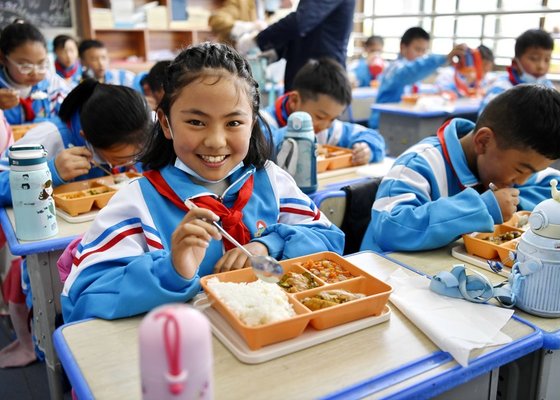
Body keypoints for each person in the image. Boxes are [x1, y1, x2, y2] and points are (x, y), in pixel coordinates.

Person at [61, 43, 344, 323]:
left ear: (253, 123)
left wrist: (269, 245)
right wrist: (172, 270)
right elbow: (83, 297)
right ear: (165, 123)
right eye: (196, 122)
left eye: (233, 123)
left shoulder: (271, 180)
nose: (215, 141)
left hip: (272, 345)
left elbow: (330, 240)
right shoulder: (138, 203)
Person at [0, 79, 150, 368]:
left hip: (116, 238)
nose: (131, 163)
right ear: (86, 138)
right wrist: (51, 171)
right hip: (55, 245)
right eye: (120, 159)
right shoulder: (50, 136)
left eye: (137, 156)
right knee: (33, 284)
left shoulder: (145, 128)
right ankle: (37, 346)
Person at [361, 84, 560, 253]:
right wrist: (482, 208)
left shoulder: (510, 163)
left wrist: (510, 205)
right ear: (483, 141)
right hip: (392, 281)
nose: (522, 181)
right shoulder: (420, 165)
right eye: (522, 170)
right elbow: (391, 227)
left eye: (532, 172)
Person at [262, 57, 385, 165]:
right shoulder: (263, 123)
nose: (325, 126)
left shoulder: (327, 129)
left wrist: (366, 149)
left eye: (333, 118)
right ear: (294, 100)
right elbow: (261, 150)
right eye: (320, 117)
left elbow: (373, 137)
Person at [237, 0, 356, 92]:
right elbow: (309, 33)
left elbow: (300, 22)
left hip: (320, 79)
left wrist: (257, 40)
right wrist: (278, 51)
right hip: (307, 74)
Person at [368, 27, 466, 128]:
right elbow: (411, 71)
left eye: (424, 51)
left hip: (403, 122)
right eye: (417, 49)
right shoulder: (396, 69)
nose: (421, 55)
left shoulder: (415, 74)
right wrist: (444, 58)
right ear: (403, 47)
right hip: (383, 124)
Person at [0, 20, 69, 125]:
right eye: (25, 66)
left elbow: (71, 111)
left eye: (41, 64)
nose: (35, 73)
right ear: (3, 58)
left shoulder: (51, 83)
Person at [479, 29, 554, 113]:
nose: (541, 66)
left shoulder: (549, 87)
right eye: (534, 59)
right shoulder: (501, 90)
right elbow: (486, 120)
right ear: (515, 63)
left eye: (547, 60)